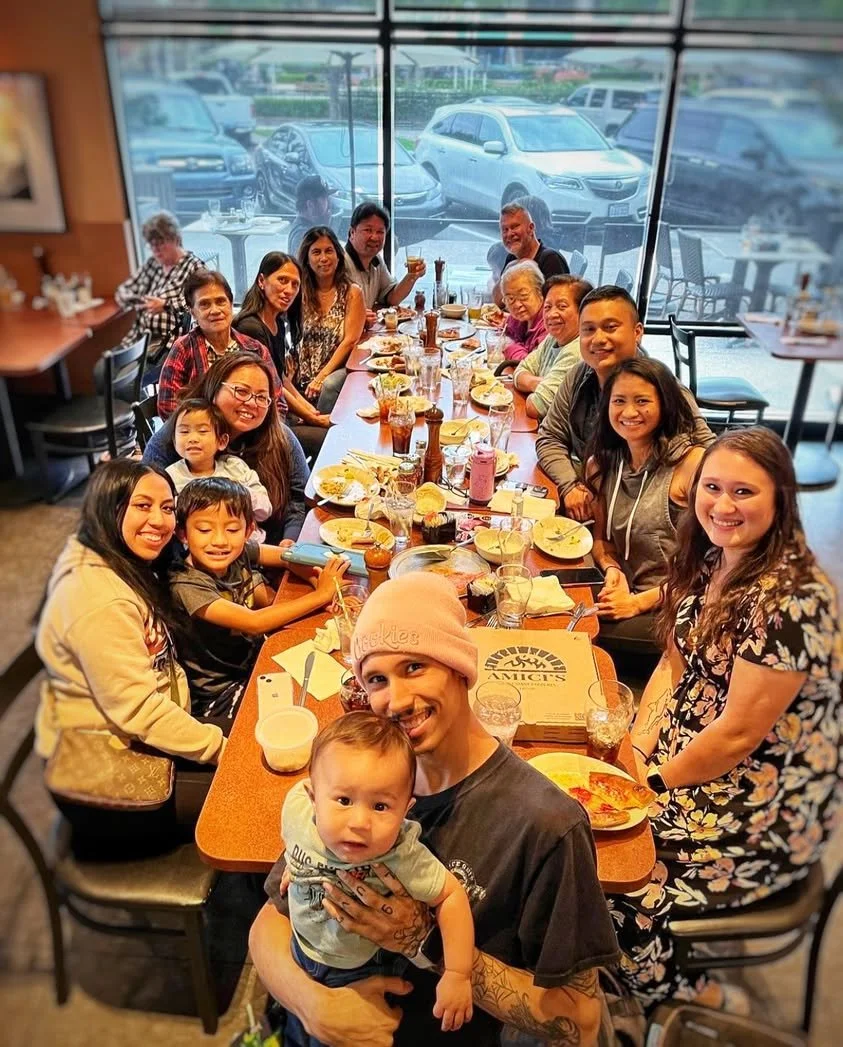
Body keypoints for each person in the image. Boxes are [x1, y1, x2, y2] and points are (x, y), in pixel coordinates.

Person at [250, 573, 619, 1047]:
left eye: (415, 668)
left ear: (459, 668)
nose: (397, 700)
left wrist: (425, 942)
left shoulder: (546, 827)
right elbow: (268, 924)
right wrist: (312, 1005)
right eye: (377, 679)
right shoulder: (361, 778)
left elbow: (580, 1021)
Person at [610, 427, 842, 1015]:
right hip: (690, 757)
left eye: (744, 491)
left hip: (762, 803)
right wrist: (639, 744)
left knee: (615, 880)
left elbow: (739, 734)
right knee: (577, 827)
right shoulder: (712, 553)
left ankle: (692, 996)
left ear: (781, 499)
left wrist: (653, 782)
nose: (722, 504)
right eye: (712, 487)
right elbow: (673, 656)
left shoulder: (793, 601)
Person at [35, 460, 225, 854]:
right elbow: (138, 710)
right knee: (258, 791)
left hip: (149, 731)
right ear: (109, 506)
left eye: (168, 507)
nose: (159, 520)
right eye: (142, 505)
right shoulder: (99, 598)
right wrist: (220, 749)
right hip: (108, 774)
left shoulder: (120, 557)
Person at [282, 711, 475, 1045]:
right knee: (298, 1027)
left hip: (359, 967)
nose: (359, 822)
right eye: (343, 800)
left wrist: (459, 974)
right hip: (300, 947)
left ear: (405, 811)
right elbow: (292, 829)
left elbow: (450, 895)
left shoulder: (400, 852)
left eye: (381, 807)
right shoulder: (298, 810)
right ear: (314, 798)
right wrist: (294, 861)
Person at [169, 477, 348, 723]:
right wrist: (320, 595)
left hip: (257, 659)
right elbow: (254, 622)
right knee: (290, 720)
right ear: (183, 534)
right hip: (222, 692)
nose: (220, 540)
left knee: (332, 689)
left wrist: (318, 581)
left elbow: (286, 557)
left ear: (249, 531)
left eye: (232, 529)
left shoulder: (240, 550)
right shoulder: (186, 584)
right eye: (204, 530)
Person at [536, 285, 714, 521]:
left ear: (637, 332)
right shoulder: (579, 375)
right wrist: (570, 485)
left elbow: (712, 458)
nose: (598, 339)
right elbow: (550, 436)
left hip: (648, 530)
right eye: (589, 329)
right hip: (595, 516)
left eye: (610, 327)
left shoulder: (665, 389)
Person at [584, 358, 707, 655]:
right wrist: (613, 569)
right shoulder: (601, 463)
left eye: (642, 401)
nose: (628, 412)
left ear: (665, 404)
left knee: (575, 628)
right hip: (622, 592)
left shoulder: (691, 466)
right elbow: (601, 541)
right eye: (619, 401)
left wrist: (637, 603)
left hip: (676, 605)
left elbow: (708, 569)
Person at [143, 352, 309, 544]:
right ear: (214, 389)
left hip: (274, 549)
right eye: (241, 391)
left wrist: (290, 539)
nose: (251, 403)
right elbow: (151, 511)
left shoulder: (279, 438)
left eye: (262, 397)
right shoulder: (179, 439)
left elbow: (299, 500)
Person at [234, 253, 330, 461]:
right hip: (263, 427)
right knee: (330, 439)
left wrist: (311, 412)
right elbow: (272, 387)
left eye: (295, 285)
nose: (289, 290)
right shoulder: (250, 328)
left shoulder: (277, 322)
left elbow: (282, 378)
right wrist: (313, 419)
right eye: (282, 280)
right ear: (261, 281)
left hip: (280, 415)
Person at [157, 269, 286, 421]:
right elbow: (168, 406)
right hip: (204, 436)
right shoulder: (183, 349)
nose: (215, 310)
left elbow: (278, 403)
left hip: (253, 434)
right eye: (204, 304)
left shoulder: (255, 349)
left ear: (231, 304)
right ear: (193, 312)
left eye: (220, 301)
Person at [166, 398, 271, 540]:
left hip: (249, 546)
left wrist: (237, 493)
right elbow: (169, 521)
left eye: (202, 431)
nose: (192, 438)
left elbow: (265, 511)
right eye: (184, 432)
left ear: (221, 441)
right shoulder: (170, 477)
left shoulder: (235, 467)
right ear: (174, 440)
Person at [114, 210, 203, 361]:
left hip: (167, 346)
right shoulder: (152, 264)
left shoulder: (194, 267)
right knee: (102, 369)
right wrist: (141, 301)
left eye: (160, 243)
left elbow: (200, 304)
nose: (155, 249)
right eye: (151, 245)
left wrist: (167, 305)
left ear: (175, 239)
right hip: (138, 339)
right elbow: (122, 292)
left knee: (114, 378)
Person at [295, 226, 365, 414]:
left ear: (338, 255)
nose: (323, 258)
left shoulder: (352, 293)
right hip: (303, 373)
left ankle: (323, 429)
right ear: (307, 259)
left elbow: (350, 341)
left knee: (329, 384)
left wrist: (321, 376)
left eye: (329, 251)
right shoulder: (299, 292)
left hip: (336, 370)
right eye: (316, 252)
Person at [513, 274, 593, 419]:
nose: (551, 314)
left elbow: (536, 407)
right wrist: (538, 383)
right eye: (548, 307)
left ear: (584, 312)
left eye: (562, 306)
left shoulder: (577, 352)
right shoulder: (553, 337)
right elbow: (519, 372)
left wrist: (532, 385)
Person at [344, 202, 426, 327]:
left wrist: (412, 276)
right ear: (352, 233)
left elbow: (393, 298)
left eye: (380, 232)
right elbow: (326, 313)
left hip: (364, 333)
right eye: (368, 230)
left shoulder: (376, 260)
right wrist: (356, 318)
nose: (375, 237)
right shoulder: (340, 263)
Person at [492, 202, 568, 307]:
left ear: (531, 228)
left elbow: (555, 307)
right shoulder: (512, 258)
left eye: (515, 227)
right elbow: (498, 301)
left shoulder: (551, 260)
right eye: (505, 229)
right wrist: (507, 270)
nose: (509, 234)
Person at [499, 259, 548, 362]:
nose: (517, 304)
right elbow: (504, 332)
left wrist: (509, 346)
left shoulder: (549, 323)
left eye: (523, 296)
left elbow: (534, 365)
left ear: (540, 292)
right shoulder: (518, 318)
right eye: (510, 299)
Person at [287, 175, 339, 259]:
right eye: (324, 198)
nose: (328, 203)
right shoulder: (302, 235)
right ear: (310, 204)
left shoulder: (310, 228)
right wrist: (325, 229)